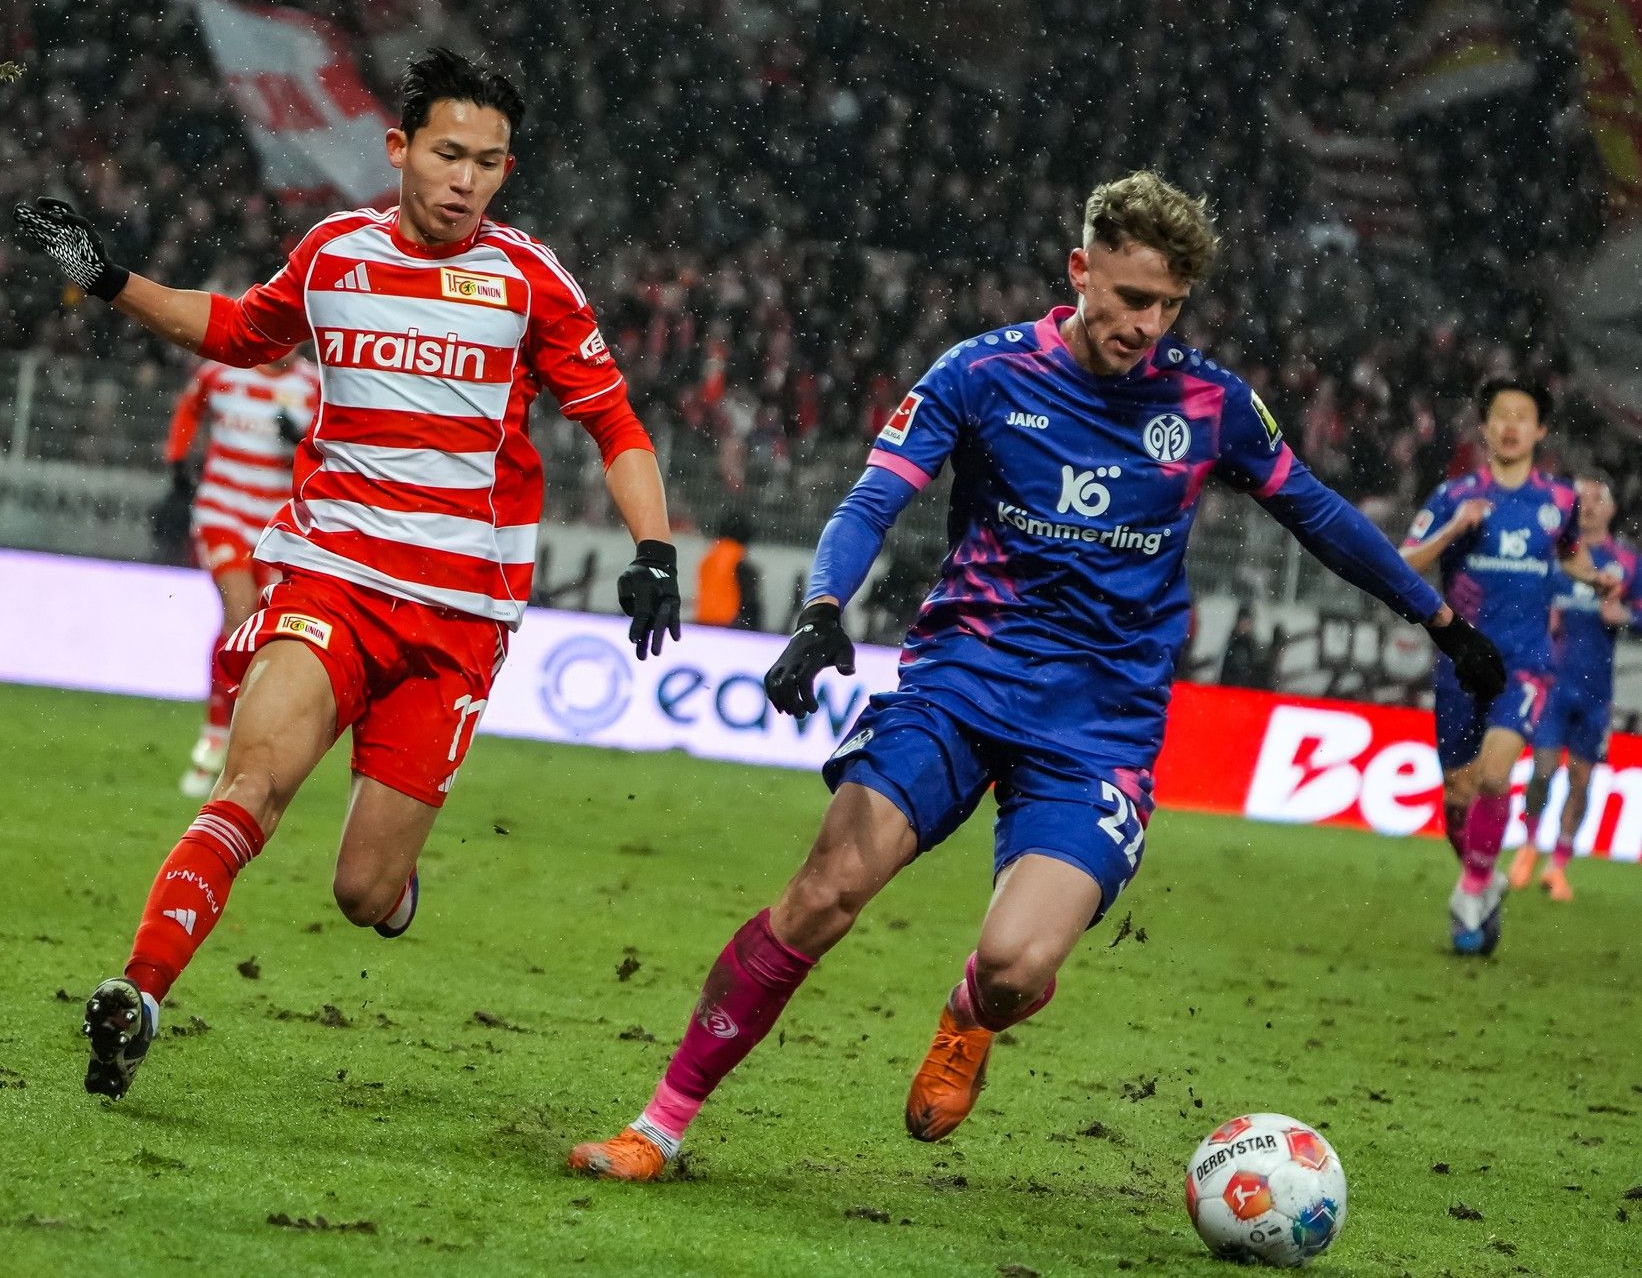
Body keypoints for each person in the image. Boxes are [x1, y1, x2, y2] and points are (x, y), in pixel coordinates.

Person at [566, 171, 1505, 1182]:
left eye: (1169, 305)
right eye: (1130, 296)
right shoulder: (981, 373)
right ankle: (657, 1125)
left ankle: (973, 1008)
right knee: (826, 887)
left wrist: (1441, 621)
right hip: (960, 681)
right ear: (1080, 272)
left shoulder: (1208, 403)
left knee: (1018, 967)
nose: (1147, 324)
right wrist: (822, 609)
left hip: (1098, 725)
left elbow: (1319, 515)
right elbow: (871, 501)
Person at [13, 48, 683, 1100]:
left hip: (459, 620)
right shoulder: (332, 254)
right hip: (329, 579)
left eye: (490, 163)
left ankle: (392, 885)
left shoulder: (529, 280)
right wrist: (108, 279)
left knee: (363, 891)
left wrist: (653, 546)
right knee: (253, 785)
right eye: (450, 155)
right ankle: (140, 992)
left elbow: (612, 419)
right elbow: (237, 330)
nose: (466, 181)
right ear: (400, 148)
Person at [1399, 382, 1618, 954]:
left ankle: (1472, 888)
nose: (1511, 426)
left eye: (1523, 417)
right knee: (1458, 796)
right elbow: (1403, 562)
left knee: (1495, 776)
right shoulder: (1454, 494)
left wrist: (1593, 577)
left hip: (1525, 663)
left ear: (1540, 430)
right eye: (1500, 417)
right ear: (1486, 428)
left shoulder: (1558, 498)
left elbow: (1570, 552)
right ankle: (1482, 875)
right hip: (1459, 662)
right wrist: (1454, 530)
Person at [162, 347, 320, 797]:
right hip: (223, 512)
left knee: (262, 633)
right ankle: (214, 736)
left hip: (276, 527)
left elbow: (329, 451)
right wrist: (177, 461)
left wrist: (303, 442)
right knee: (240, 612)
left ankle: (241, 738)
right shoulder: (223, 373)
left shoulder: (314, 385)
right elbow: (188, 405)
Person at [1505, 476, 1639, 901]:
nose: (1589, 505)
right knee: (1542, 772)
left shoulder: (1627, 563)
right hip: (1553, 684)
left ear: (1612, 509)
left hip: (1596, 691)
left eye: (1599, 498)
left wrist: (1626, 618)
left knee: (1581, 780)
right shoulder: (1558, 554)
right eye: (1582, 498)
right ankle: (1528, 845)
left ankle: (1558, 865)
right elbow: (1527, 597)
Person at [694, 510, 763, 630]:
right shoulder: (740, 563)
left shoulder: (707, 558)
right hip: (730, 627)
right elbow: (749, 604)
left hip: (704, 622)